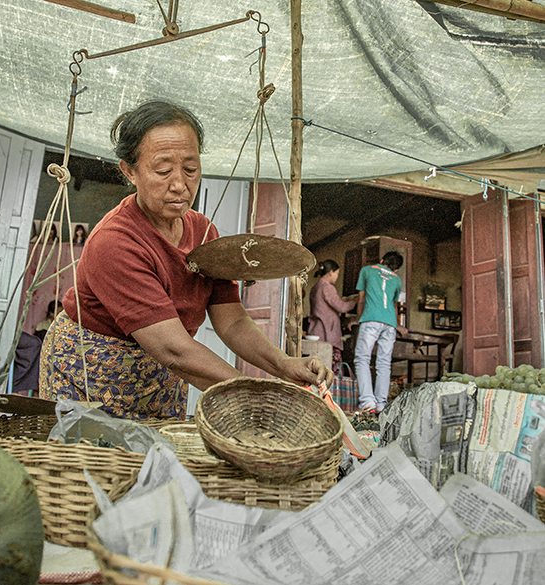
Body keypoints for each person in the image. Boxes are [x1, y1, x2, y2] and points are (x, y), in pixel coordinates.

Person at [39, 100, 332, 422]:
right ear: (130, 171)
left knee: (156, 461)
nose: (180, 185)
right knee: (95, 463)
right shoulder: (116, 241)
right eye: (163, 170)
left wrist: (284, 364)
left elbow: (231, 321)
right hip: (94, 370)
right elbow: (174, 349)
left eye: (191, 169)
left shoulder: (203, 231)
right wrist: (263, 393)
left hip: (159, 371)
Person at [354, 251, 408, 414]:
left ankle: (367, 401)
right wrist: (398, 324)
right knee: (384, 363)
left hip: (371, 319)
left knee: (362, 358)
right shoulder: (397, 279)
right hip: (390, 324)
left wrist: (358, 319)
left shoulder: (367, 270)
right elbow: (395, 305)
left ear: (381, 260)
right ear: (396, 268)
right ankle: (381, 404)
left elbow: (361, 299)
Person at [307, 260, 357, 368]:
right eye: (337, 273)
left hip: (316, 330)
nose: (337, 277)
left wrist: (345, 299)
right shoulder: (327, 287)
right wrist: (356, 301)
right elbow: (342, 307)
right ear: (330, 272)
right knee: (329, 368)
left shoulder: (315, 287)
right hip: (326, 333)